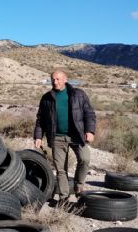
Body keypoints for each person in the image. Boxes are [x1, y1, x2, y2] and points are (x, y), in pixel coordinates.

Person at [34, 69, 96, 203]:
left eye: (58, 79)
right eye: (53, 79)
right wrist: (38, 137)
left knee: (85, 159)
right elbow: (40, 120)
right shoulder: (46, 98)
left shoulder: (78, 94)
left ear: (65, 79)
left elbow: (89, 113)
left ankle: (79, 185)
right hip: (57, 137)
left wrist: (90, 131)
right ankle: (64, 198)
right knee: (61, 169)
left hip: (76, 135)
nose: (55, 82)